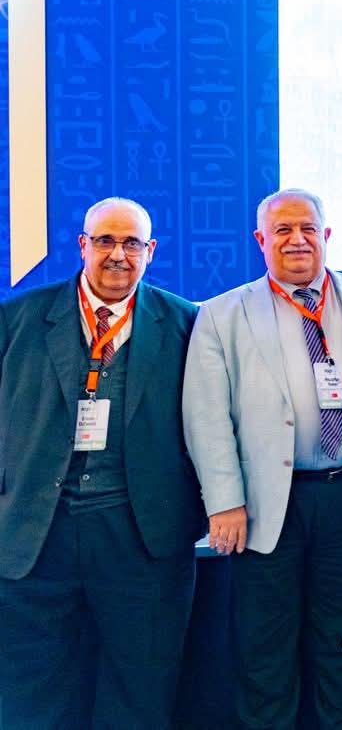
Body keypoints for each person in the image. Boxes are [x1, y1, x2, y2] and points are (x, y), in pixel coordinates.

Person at [183, 187, 342, 729]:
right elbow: (206, 417)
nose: (297, 240)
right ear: (260, 240)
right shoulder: (221, 314)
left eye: (308, 228)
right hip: (264, 504)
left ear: (326, 235)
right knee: (264, 646)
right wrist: (224, 502)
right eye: (282, 230)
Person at [0, 197, 204, 728]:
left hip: (143, 536)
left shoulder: (188, 325)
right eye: (105, 241)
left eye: (131, 243)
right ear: (82, 245)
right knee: (31, 691)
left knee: (140, 687)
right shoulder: (17, 319)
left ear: (150, 251)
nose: (118, 254)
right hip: (34, 536)